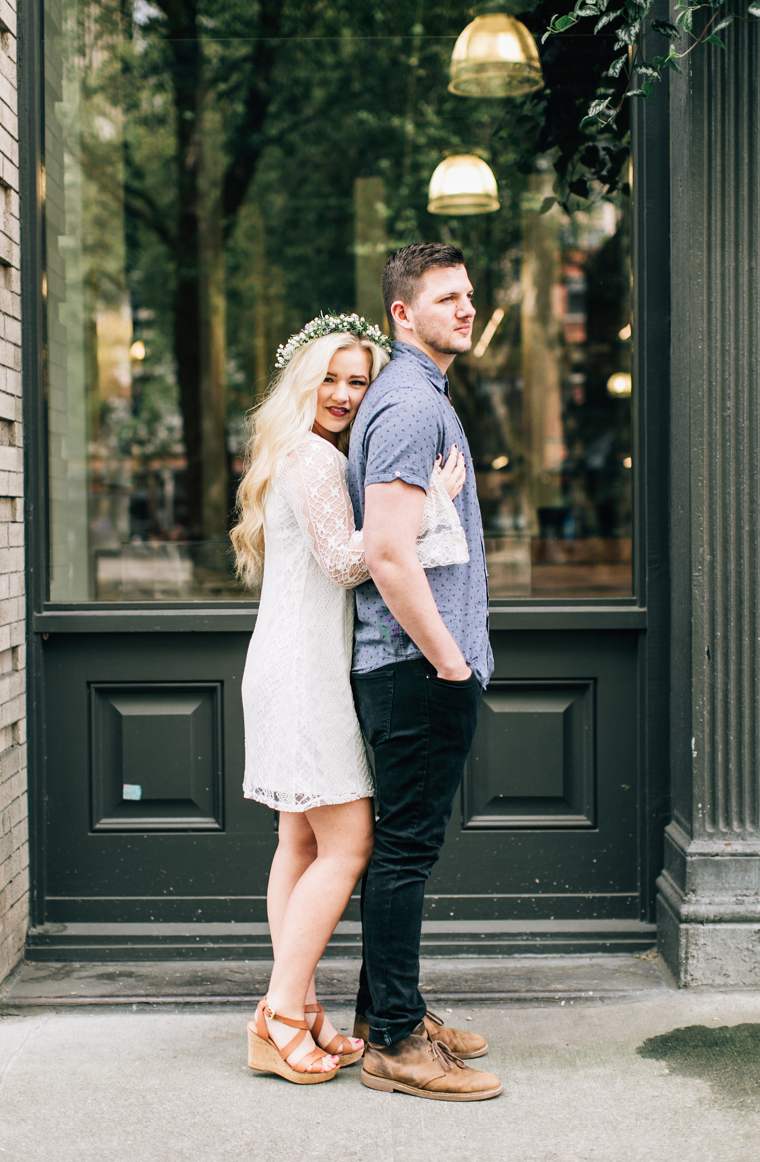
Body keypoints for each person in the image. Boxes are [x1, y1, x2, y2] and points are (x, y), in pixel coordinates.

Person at [231, 312, 469, 1085]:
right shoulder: (314, 460)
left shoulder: (299, 455)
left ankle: (297, 1009)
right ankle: (277, 1014)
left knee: (298, 844)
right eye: (328, 378)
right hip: (306, 675)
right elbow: (344, 563)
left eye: (357, 380)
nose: (342, 393)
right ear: (302, 383)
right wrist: (428, 502)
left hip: (292, 665)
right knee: (350, 845)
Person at [347, 243, 502, 1101]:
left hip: (415, 666)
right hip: (417, 668)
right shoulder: (411, 406)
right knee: (406, 852)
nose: (466, 308)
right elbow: (386, 553)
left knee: (400, 850)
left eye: (469, 295)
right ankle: (398, 1046)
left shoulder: (417, 397)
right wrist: (449, 660)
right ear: (402, 314)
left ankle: (388, 1011)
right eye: (446, 297)